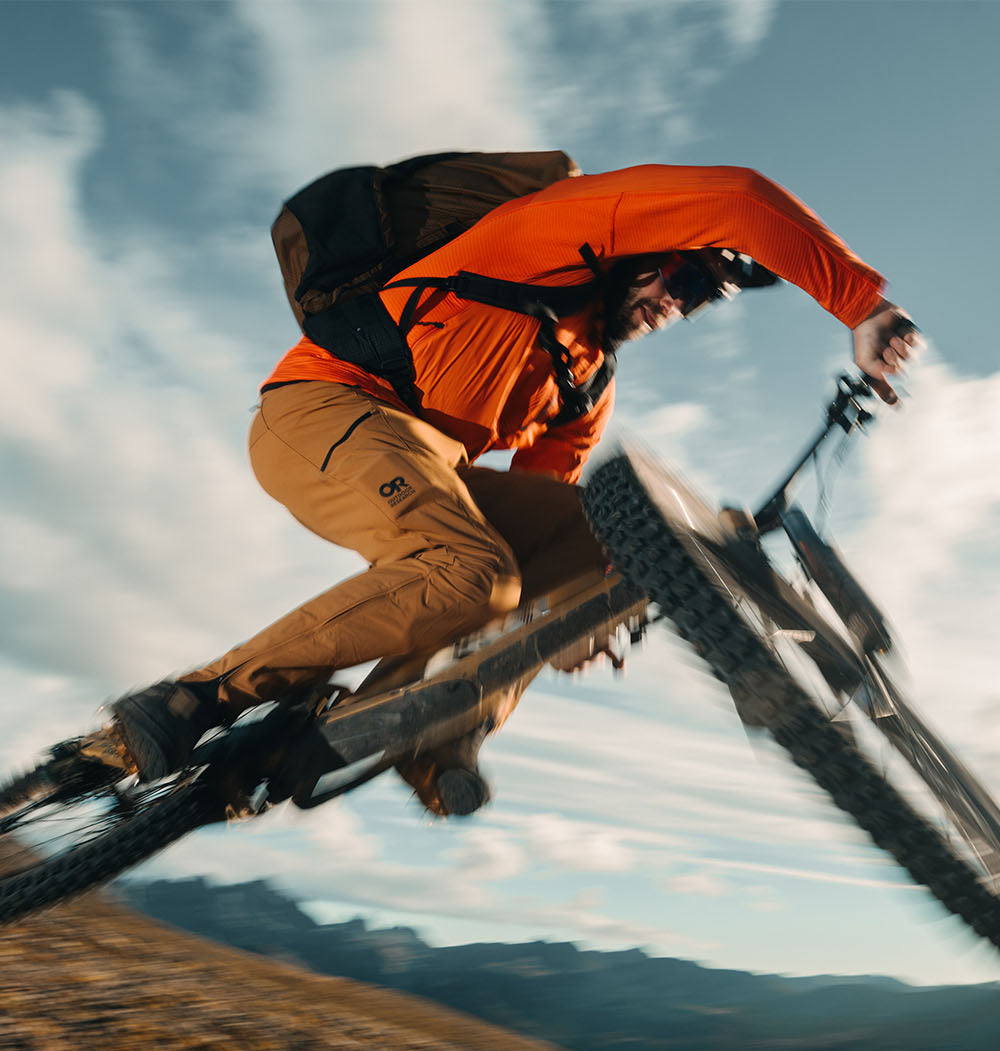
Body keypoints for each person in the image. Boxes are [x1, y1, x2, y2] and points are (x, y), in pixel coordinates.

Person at [112, 162, 917, 814]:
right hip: (327, 408)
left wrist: (577, 620)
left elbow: (543, 549)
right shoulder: (548, 239)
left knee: (602, 548)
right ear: (643, 249)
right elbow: (740, 197)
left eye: (702, 297)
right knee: (474, 575)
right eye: (680, 276)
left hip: (421, 462)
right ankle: (198, 697)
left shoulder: (586, 383)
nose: (679, 304)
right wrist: (861, 303)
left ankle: (427, 732)